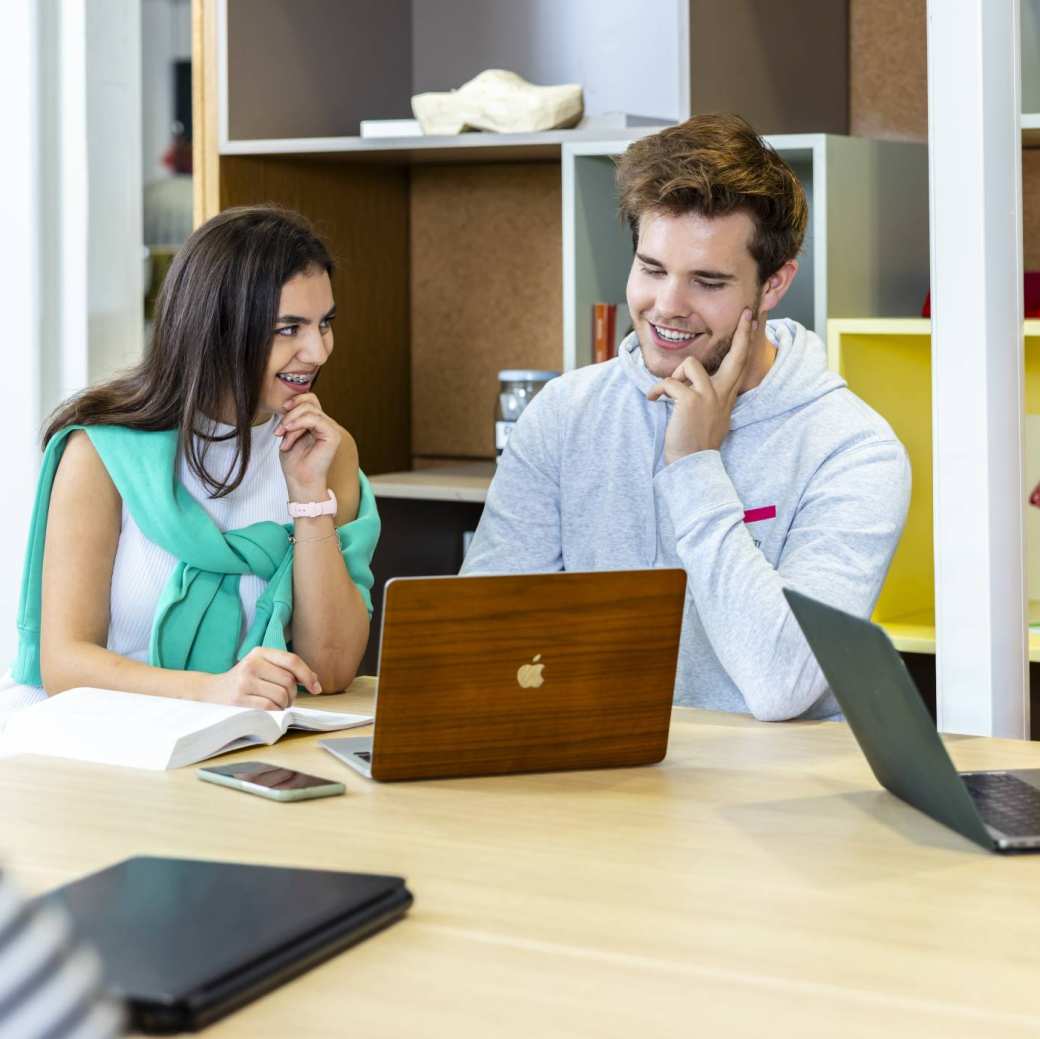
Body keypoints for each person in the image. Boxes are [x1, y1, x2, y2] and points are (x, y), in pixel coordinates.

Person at [461, 114, 910, 721]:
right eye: (652, 269)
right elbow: (478, 638)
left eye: (707, 281)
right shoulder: (565, 414)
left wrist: (695, 466)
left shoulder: (852, 450)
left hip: (770, 799)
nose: (667, 307)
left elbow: (781, 683)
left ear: (774, 283)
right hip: (596, 775)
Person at [1, 205, 378, 716]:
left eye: (324, 323)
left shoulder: (326, 451)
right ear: (217, 327)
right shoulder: (100, 453)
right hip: (96, 740)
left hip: (242, 743)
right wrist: (213, 692)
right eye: (288, 328)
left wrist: (310, 498)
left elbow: (330, 671)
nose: (317, 351)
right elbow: (66, 664)